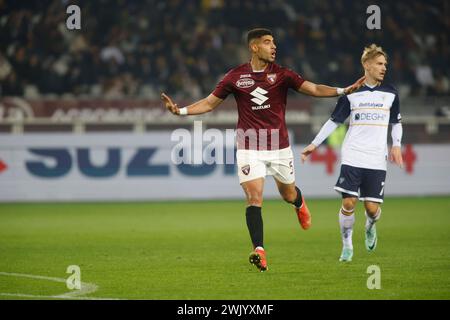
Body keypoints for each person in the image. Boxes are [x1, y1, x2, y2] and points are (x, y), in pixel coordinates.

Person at [162, 28, 365, 272]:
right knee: (254, 197)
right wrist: (180, 111)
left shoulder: (282, 74)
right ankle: (259, 250)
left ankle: (299, 204)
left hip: (279, 148)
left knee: (288, 194)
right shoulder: (235, 77)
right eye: (268, 42)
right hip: (249, 147)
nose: (273, 47)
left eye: (274, 43)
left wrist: (343, 90)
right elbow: (208, 103)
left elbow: (313, 88)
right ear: (254, 47)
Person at [301, 44, 404, 262]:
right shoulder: (352, 93)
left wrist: (396, 145)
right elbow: (334, 121)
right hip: (353, 155)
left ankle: (370, 226)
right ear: (366, 65)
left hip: (376, 157)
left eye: (385, 64)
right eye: (379, 63)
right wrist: (314, 144)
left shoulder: (391, 93)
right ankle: (347, 245)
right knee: (349, 202)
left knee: (372, 208)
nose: (384, 67)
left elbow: (396, 122)